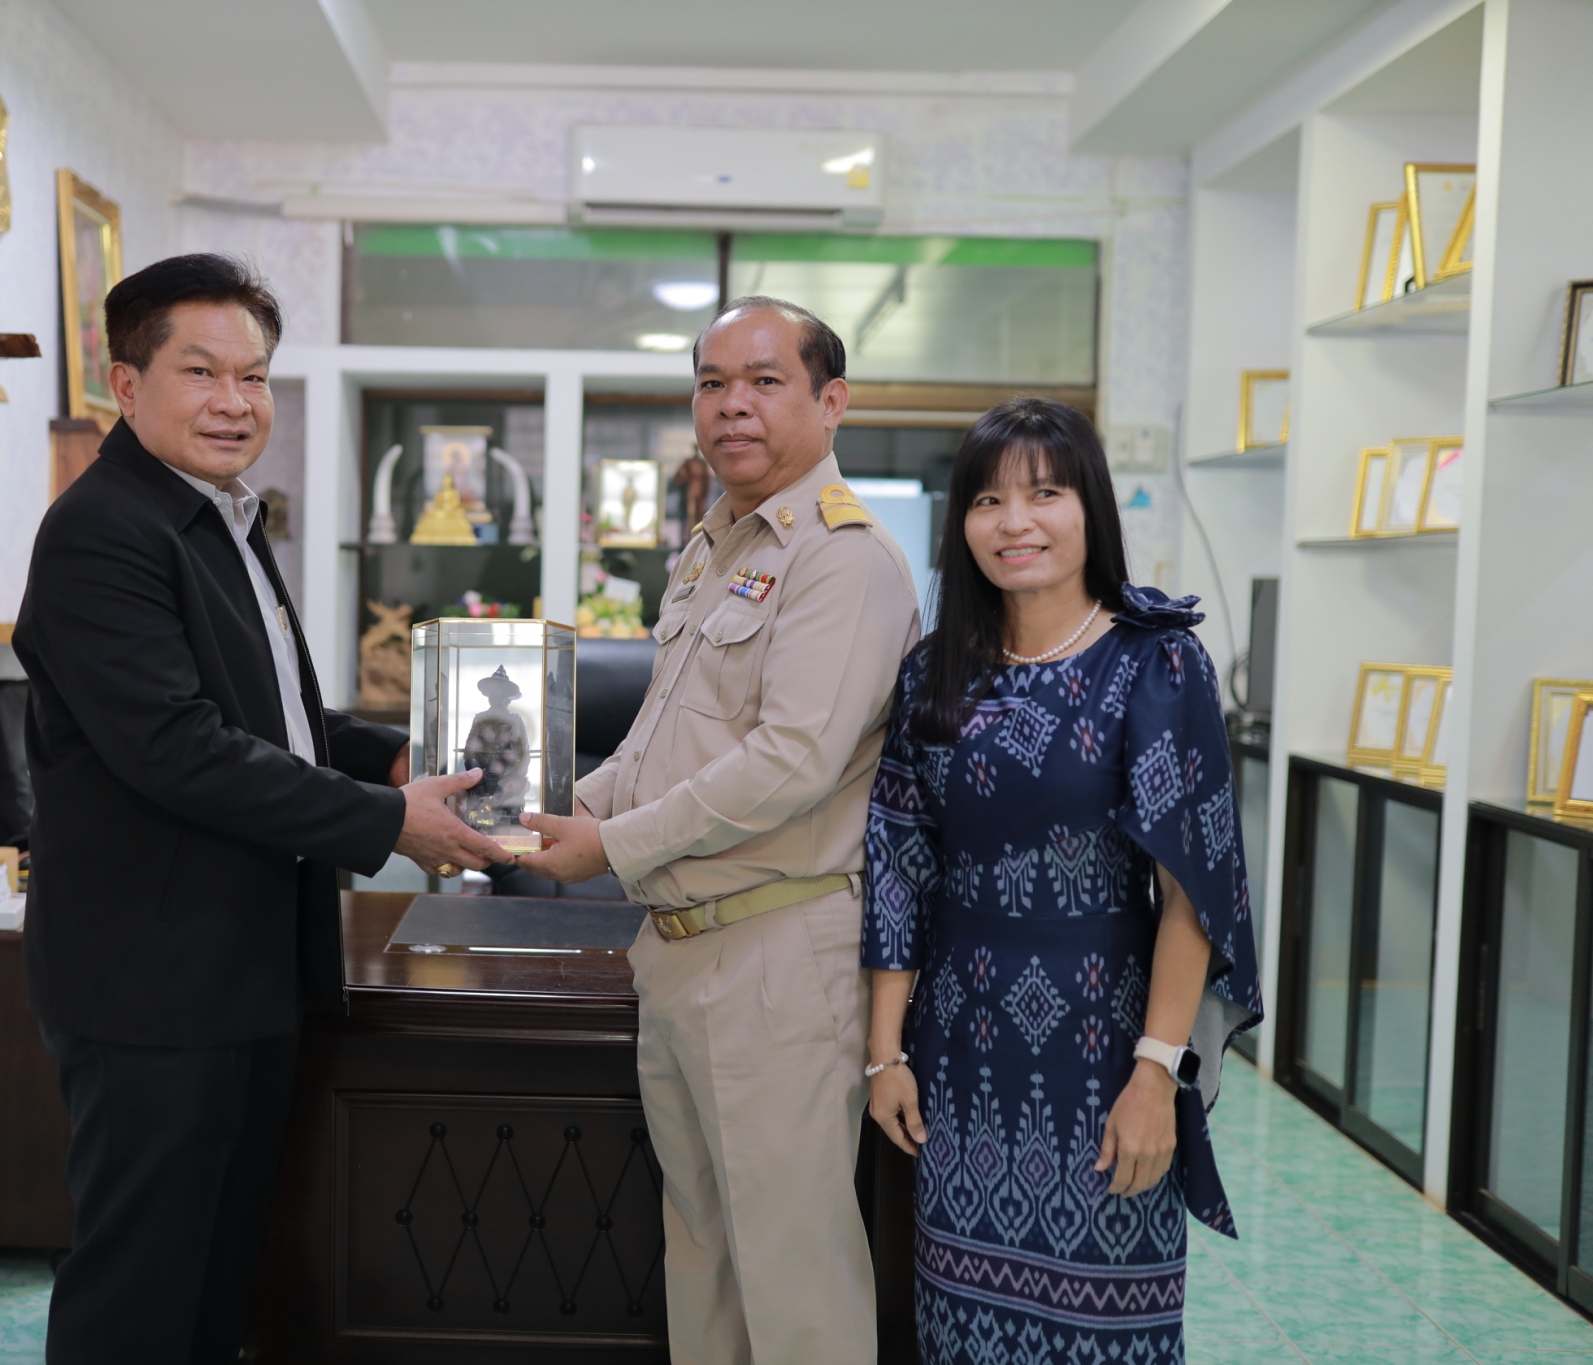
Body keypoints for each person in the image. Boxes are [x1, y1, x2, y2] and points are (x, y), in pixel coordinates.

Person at [13, 252, 502, 1363]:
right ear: (125, 382)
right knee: (140, 1285)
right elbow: (178, 748)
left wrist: (389, 756)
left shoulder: (219, 516)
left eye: (254, 376)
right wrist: (388, 822)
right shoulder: (104, 530)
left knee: (219, 1275)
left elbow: (271, 713)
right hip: (153, 983)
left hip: (240, 965)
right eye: (201, 372)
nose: (235, 402)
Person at [519, 297, 920, 1364]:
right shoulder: (713, 547)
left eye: (764, 380)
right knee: (702, 1254)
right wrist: (570, 806)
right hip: (681, 950)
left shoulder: (842, 558)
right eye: (711, 383)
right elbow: (661, 735)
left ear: (831, 402)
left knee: (791, 1276)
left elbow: (790, 760)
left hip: (775, 955)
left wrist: (611, 846)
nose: (731, 405)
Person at [861, 398, 1263, 1362]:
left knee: (1108, 1326)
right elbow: (899, 869)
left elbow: (1191, 891)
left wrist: (1156, 1074)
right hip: (960, 1058)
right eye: (988, 500)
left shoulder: (1157, 663)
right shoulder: (932, 674)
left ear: (1091, 508)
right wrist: (884, 1056)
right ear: (961, 523)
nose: (1016, 522)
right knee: (961, 1325)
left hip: (1107, 1054)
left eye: (1045, 494)